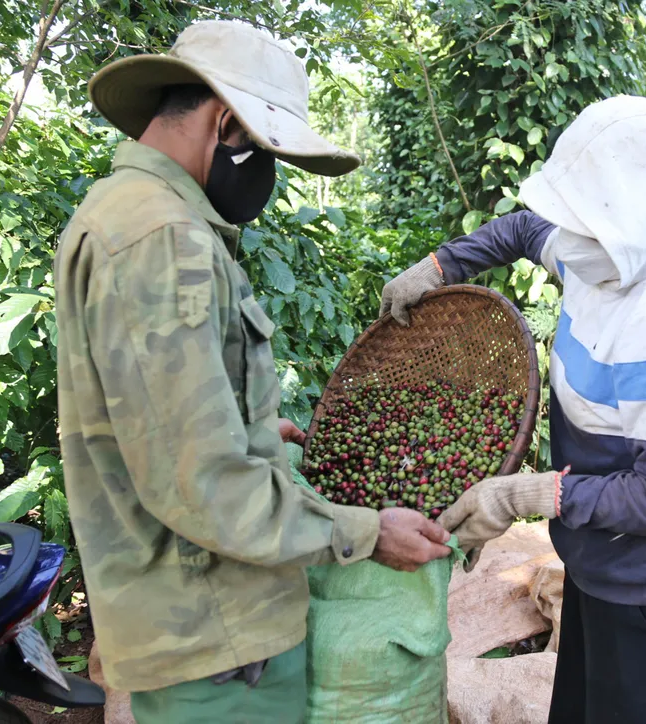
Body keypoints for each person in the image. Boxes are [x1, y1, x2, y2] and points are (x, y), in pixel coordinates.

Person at [54, 21, 450, 723]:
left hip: (208, 634)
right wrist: (363, 531)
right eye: (265, 151)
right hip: (220, 639)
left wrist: (250, 423)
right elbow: (200, 483)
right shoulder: (163, 240)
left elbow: (155, 416)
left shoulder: (124, 215)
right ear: (227, 124)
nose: (267, 174)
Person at [381, 96, 646, 724]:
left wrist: (529, 495)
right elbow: (523, 230)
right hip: (598, 575)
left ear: (643, 221)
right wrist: (440, 265)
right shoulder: (597, 262)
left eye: (590, 226)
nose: (570, 241)